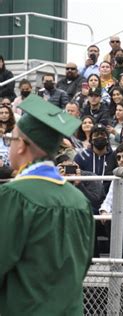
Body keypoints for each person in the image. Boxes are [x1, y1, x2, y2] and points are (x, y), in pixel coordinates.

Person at [0, 95, 94, 314]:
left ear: (22, 145)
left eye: (11, 140)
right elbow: (83, 265)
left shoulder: (14, 196)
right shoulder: (79, 201)